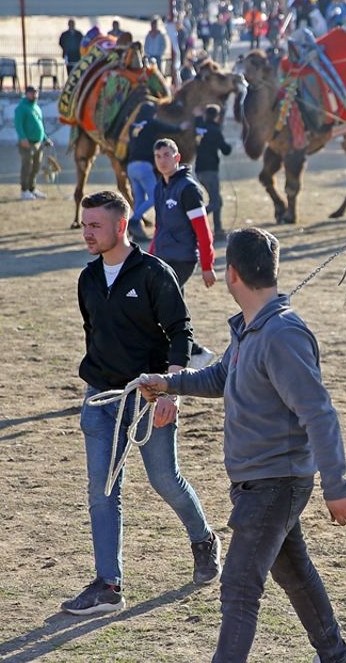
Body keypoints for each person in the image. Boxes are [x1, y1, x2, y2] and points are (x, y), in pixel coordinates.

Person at [139, 228, 346, 662]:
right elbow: (221, 376)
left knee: (239, 587)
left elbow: (319, 414)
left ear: (231, 273)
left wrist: (337, 486)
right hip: (262, 483)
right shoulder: (251, 329)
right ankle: (337, 657)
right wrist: (169, 382)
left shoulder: (282, 335)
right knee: (294, 572)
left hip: (275, 483)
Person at [63, 190, 220, 616]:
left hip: (150, 396)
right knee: (102, 489)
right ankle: (108, 585)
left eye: (95, 225)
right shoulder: (88, 278)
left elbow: (180, 332)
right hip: (101, 398)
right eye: (84, 224)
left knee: (165, 480)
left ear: (121, 226)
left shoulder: (154, 273)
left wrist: (171, 390)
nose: (87, 233)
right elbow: (93, 333)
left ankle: (204, 539)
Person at [150, 138, 217, 368]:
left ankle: (194, 353)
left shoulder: (188, 189)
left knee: (163, 304)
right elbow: (159, 227)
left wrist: (207, 266)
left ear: (177, 157)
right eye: (158, 156)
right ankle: (186, 353)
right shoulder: (160, 186)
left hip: (183, 259)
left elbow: (203, 230)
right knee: (169, 307)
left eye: (167, 155)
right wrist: (149, 255)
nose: (162, 161)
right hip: (163, 257)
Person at [126, 103, 189, 240]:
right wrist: (180, 128)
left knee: (140, 199)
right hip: (144, 166)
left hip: (131, 167)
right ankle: (134, 220)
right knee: (155, 196)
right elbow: (167, 128)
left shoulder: (133, 126)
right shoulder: (151, 123)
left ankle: (137, 233)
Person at [194, 105, 233, 238]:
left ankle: (218, 229)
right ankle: (192, 222)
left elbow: (197, 120)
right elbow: (225, 150)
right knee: (215, 202)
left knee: (217, 200)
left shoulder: (199, 126)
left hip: (199, 169)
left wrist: (198, 115)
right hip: (210, 170)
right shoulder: (215, 130)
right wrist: (229, 146)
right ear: (216, 116)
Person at [15, 87, 51, 200]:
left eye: (36, 93)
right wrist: (22, 138)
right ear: (26, 94)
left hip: (38, 143)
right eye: (31, 93)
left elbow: (40, 125)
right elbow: (18, 124)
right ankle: (24, 190)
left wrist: (45, 138)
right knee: (27, 167)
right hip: (27, 142)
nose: (34, 95)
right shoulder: (21, 108)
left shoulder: (36, 107)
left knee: (36, 167)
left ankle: (32, 189)